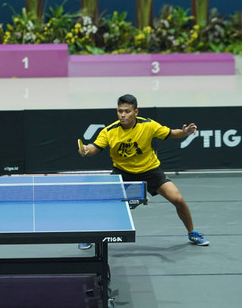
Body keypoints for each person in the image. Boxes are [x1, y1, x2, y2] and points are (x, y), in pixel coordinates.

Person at [78, 94, 209, 248]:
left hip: (150, 171)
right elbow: (95, 148)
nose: (123, 115)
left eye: (127, 111)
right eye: (120, 111)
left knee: (178, 199)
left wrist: (184, 132)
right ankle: (90, 236)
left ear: (136, 112)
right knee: (104, 203)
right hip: (123, 173)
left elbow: (172, 133)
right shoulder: (109, 131)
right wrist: (86, 149)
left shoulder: (148, 125)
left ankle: (192, 233)